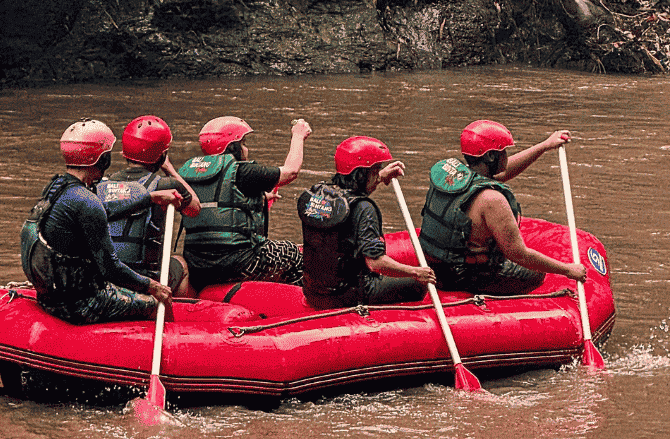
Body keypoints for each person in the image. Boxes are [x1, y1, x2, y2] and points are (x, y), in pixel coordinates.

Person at [20, 119, 181, 325]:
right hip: (82, 305)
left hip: (50, 298)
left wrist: (149, 198)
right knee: (159, 303)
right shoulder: (87, 201)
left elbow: (102, 212)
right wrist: (153, 287)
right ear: (102, 159)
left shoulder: (57, 188)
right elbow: (110, 268)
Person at [419, 120, 587, 295]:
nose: (506, 156)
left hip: (436, 268)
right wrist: (568, 270)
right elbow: (518, 254)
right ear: (491, 157)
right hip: (464, 277)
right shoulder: (492, 200)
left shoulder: (453, 178)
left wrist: (544, 146)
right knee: (535, 274)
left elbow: (502, 173)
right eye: (503, 152)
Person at [297, 136, 435, 309]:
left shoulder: (320, 193)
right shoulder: (364, 209)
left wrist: (380, 177)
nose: (379, 173)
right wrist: (415, 272)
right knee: (417, 284)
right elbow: (375, 263)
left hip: (314, 292)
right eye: (375, 170)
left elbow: (349, 200)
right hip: (349, 293)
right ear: (360, 174)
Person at [178, 116, 312, 291]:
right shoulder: (243, 171)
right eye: (243, 143)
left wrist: (261, 199)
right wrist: (298, 136)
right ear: (232, 146)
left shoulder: (186, 172)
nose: (246, 148)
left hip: (197, 264)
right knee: (292, 253)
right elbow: (291, 172)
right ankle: (305, 304)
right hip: (238, 262)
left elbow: (217, 203)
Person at [98, 115, 201, 298]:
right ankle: (179, 311)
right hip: (146, 278)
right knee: (180, 263)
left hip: (107, 274)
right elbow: (194, 208)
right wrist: (169, 168)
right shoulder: (165, 185)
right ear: (161, 155)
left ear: (124, 152)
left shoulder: (101, 184)